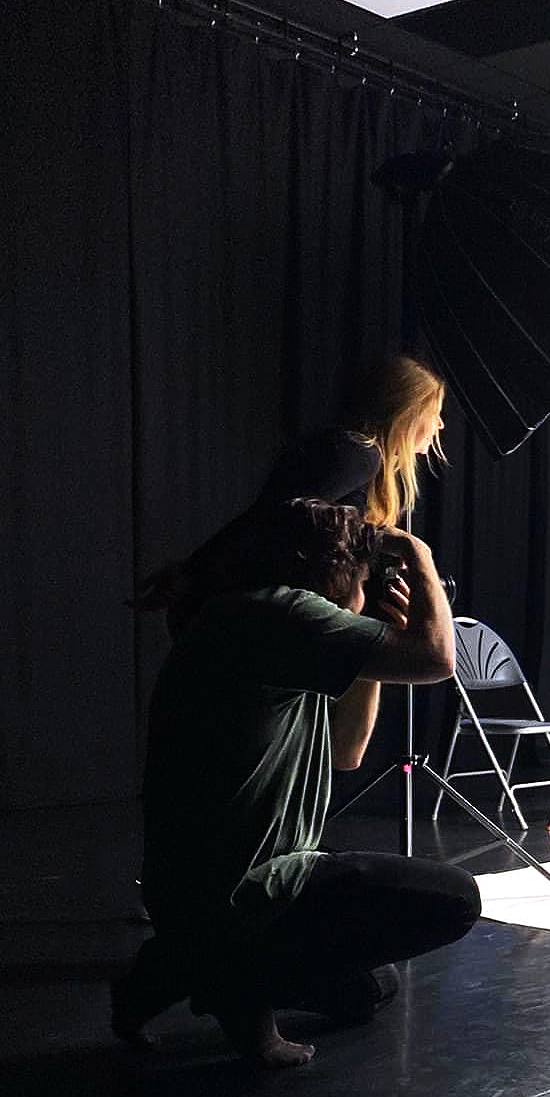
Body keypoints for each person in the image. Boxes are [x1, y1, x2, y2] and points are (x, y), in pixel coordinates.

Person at [112, 498, 478, 1066]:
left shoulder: (267, 620)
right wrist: (419, 554)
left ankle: (172, 969)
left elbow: (347, 752)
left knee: (368, 991)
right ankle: (230, 989)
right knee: (454, 899)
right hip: (238, 890)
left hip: (218, 889)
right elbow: (436, 658)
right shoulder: (279, 615)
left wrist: (373, 631)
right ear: (339, 573)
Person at [130, 353, 447, 635]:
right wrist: (190, 573)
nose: (441, 425)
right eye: (434, 414)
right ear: (408, 413)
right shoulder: (359, 455)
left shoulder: (361, 458)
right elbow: (269, 518)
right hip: (248, 615)